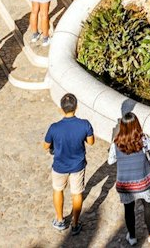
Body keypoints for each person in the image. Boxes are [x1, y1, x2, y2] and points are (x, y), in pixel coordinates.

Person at [110, 110, 150, 247]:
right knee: (148, 206)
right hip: (143, 181)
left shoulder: (116, 143)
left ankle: (132, 236)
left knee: (128, 209)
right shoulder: (143, 139)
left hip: (125, 183)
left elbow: (110, 160)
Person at [44, 92, 95, 234]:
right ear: (76, 107)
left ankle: (60, 220)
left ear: (61, 109)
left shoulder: (54, 127)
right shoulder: (84, 124)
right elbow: (91, 142)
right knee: (77, 193)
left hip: (59, 166)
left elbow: (46, 146)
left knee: (58, 190)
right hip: (77, 165)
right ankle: (75, 223)